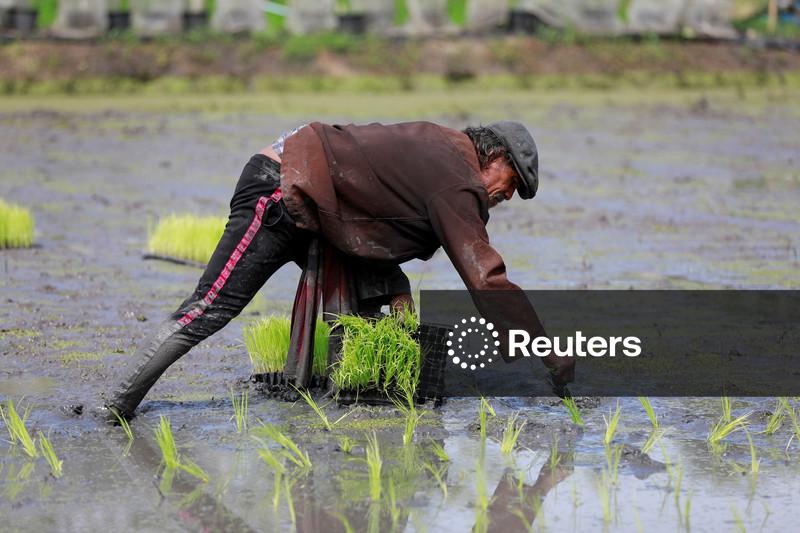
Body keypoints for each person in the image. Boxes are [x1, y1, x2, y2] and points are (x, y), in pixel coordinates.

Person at [101, 120, 574, 421]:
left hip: (319, 211)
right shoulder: (456, 178)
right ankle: (115, 403)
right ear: (495, 159)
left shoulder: (443, 151)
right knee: (212, 307)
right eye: (511, 185)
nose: (506, 197)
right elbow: (485, 279)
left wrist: (396, 284)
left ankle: (308, 396)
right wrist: (548, 351)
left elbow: (373, 216)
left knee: (362, 316)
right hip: (281, 188)